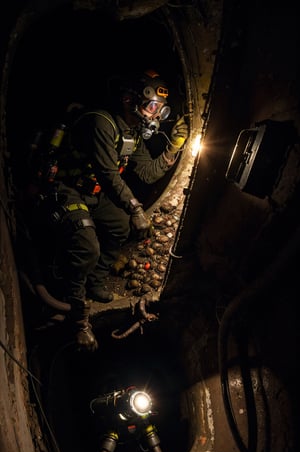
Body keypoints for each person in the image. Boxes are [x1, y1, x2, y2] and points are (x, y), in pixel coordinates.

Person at [24, 69, 189, 351]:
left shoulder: (131, 134)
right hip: (65, 189)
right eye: (151, 108)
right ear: (128, 99)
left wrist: (173, 148)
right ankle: (79, 319)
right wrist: (136, 207)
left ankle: (95, 282)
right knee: (87, 245)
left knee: (121, 224)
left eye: (160, 112)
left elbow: (148, 173)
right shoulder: (101, 123)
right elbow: (109, 175)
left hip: (94, 194)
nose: (154, 117)